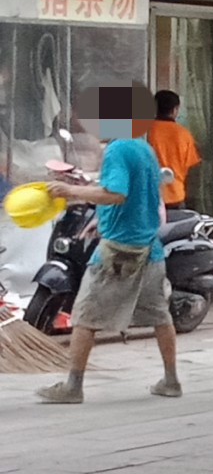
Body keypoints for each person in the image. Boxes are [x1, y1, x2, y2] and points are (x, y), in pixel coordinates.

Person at [36, 83, 181, 403]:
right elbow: (138, 196)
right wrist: (102, 222)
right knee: (160, 315)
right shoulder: (142, 147)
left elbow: (116, 194)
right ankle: (171, 380)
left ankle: (72, 387)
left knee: (85, 315)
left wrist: (70, 191)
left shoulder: (117, 150)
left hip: (119, 253)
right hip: (150, 249)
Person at [146, 90, 201, 210]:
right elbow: (193, 169)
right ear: (175, 109)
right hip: (176, 195)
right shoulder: (184, 134)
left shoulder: (146, 132)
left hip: (149, 195)